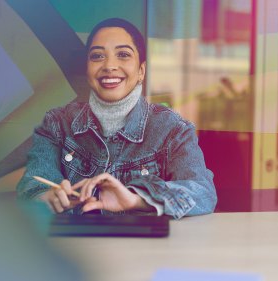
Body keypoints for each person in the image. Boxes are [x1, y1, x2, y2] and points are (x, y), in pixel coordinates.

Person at [16, 18, 217, 219]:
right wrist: (46, 198)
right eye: (97, 56)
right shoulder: (56, 123)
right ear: (87, 70)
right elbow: (33, 184)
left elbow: (203, 192)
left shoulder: (173, 130)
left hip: (144, 248)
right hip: (75, 247)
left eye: (123, 55)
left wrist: (136, 199)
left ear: (141, 71)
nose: (109, 65)